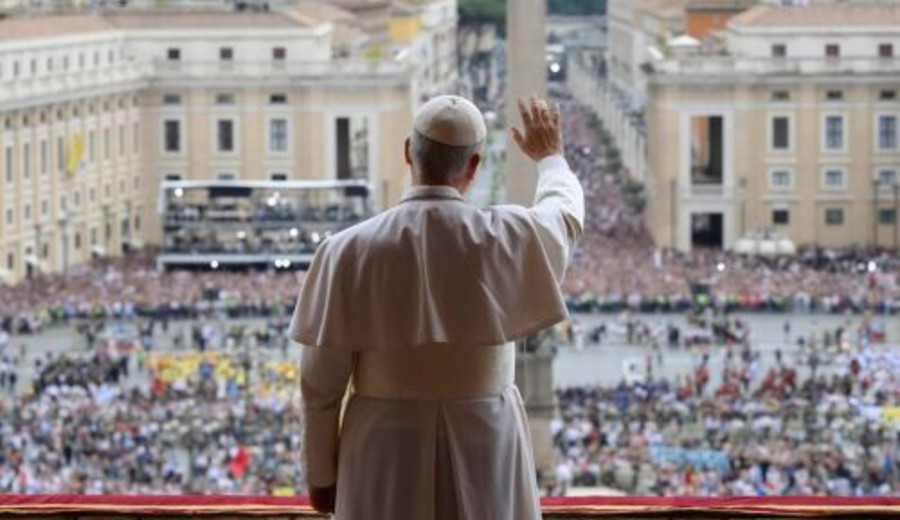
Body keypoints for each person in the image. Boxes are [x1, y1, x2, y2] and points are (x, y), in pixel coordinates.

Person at [290, 94, 584, 519]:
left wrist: (321, 477)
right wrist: (551, 160)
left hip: (383, 447)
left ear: (409, 153)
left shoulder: (345, 251)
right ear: (474, 166)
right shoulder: (507, 237)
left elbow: (319, 386)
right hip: (486, 440)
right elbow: (566, 216)